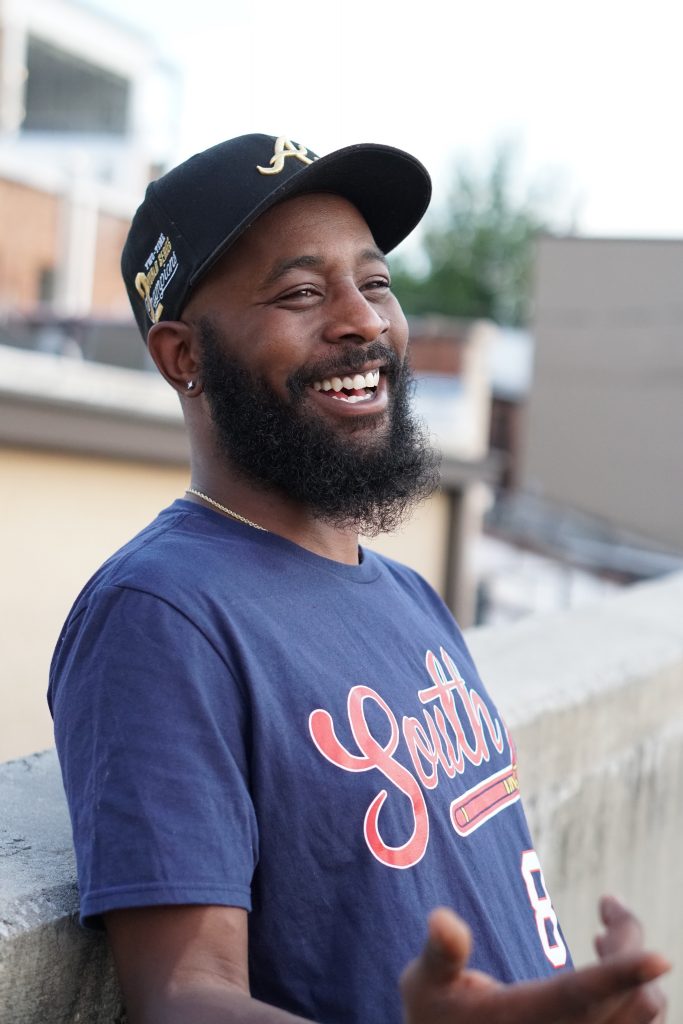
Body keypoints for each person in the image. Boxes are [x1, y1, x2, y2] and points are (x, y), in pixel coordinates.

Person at [49, 133, 668, 1024]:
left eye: (374, 283)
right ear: (182, 355)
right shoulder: (163, 614)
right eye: (302, 293)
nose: (366, 321)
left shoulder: (408, 596)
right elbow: (182, 994)